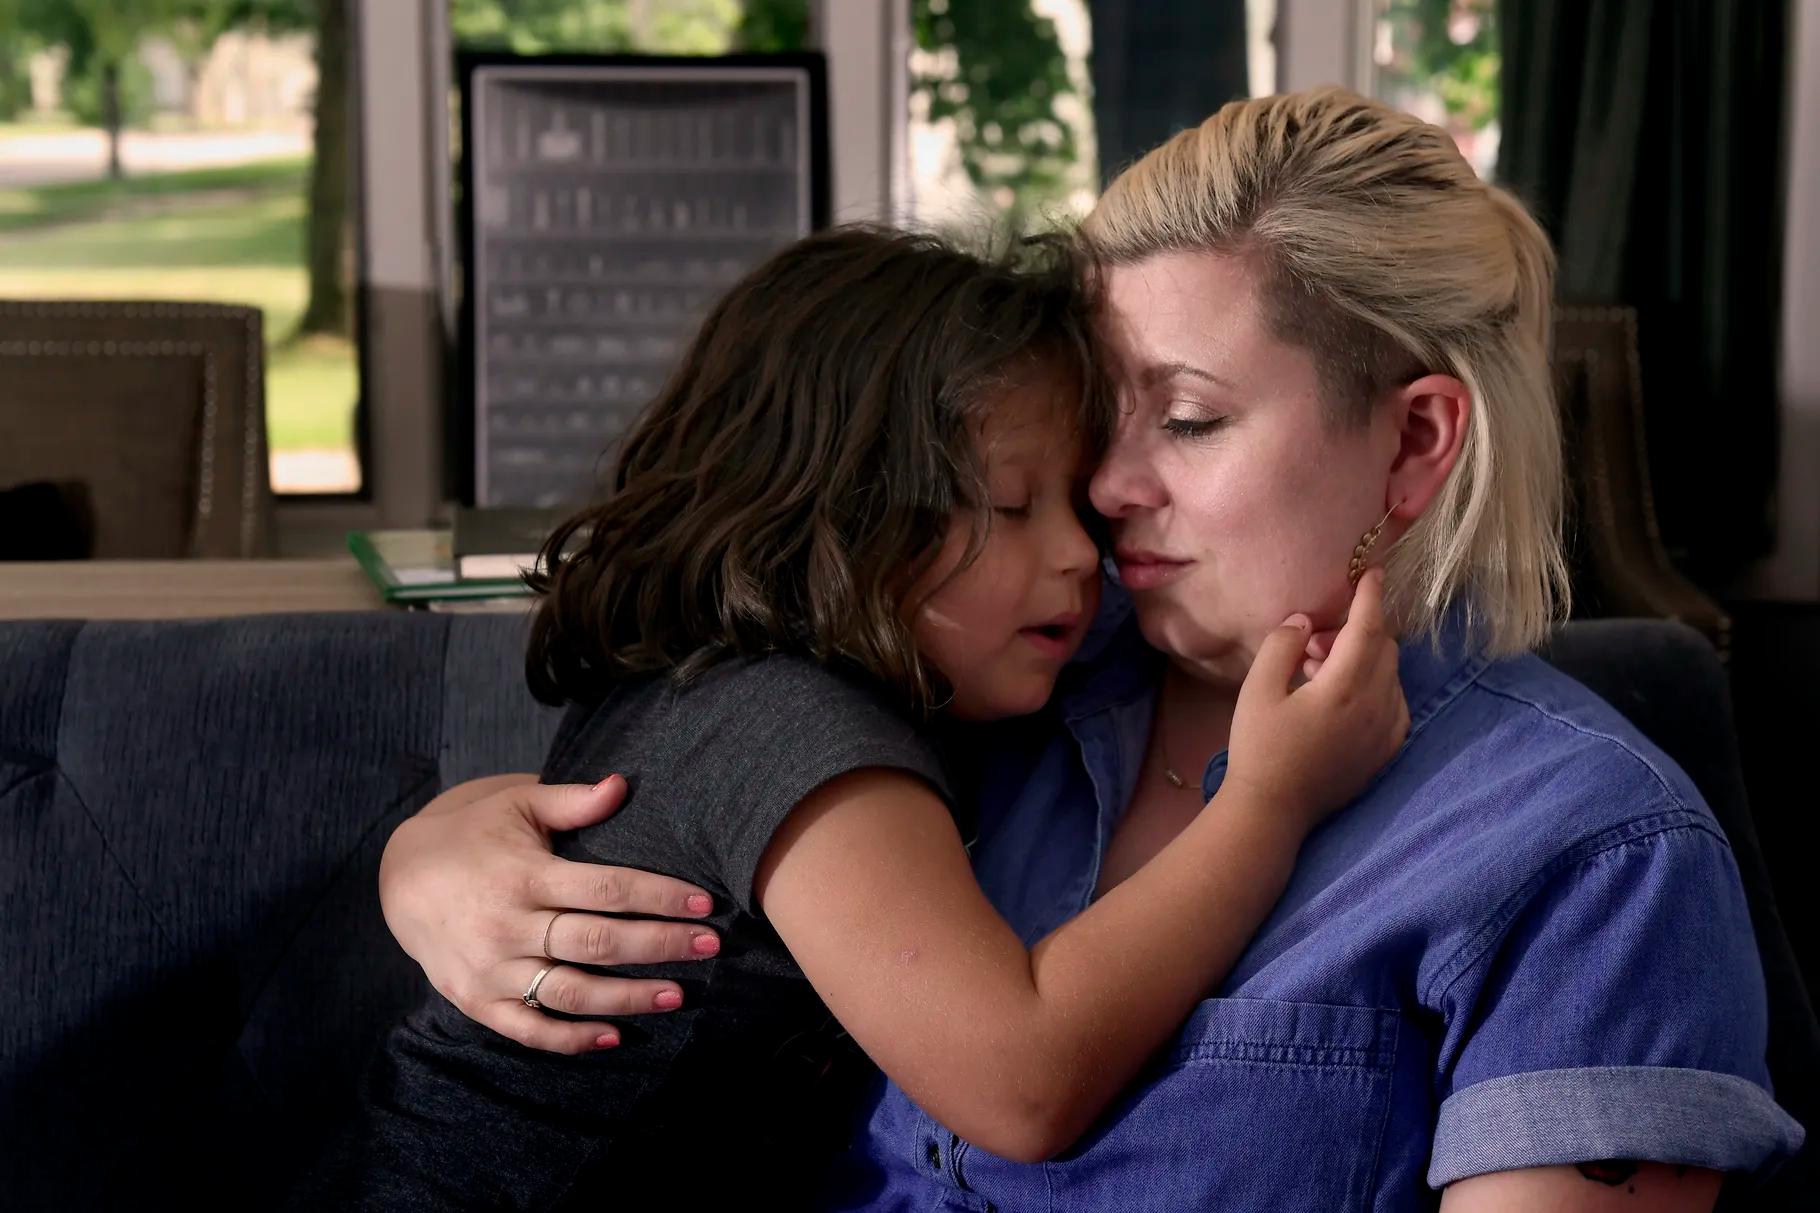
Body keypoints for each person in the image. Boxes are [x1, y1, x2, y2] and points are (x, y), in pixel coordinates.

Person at [375, 90, 1805, 1209]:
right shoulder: (1003, 658)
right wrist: (435, 853)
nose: (1106, 492)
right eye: (1085, 433)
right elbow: (692, 757)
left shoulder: (1589, 855)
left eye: (1185, 419)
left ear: (1416, 441)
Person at [304, 225, 1408, 1208]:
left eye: (1076, 502)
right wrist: (1267, 800)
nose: (1081, 553)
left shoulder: (733, 680)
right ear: (839, 510)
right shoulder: (793, 734)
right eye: (1010, 505)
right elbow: (1021, 1081)